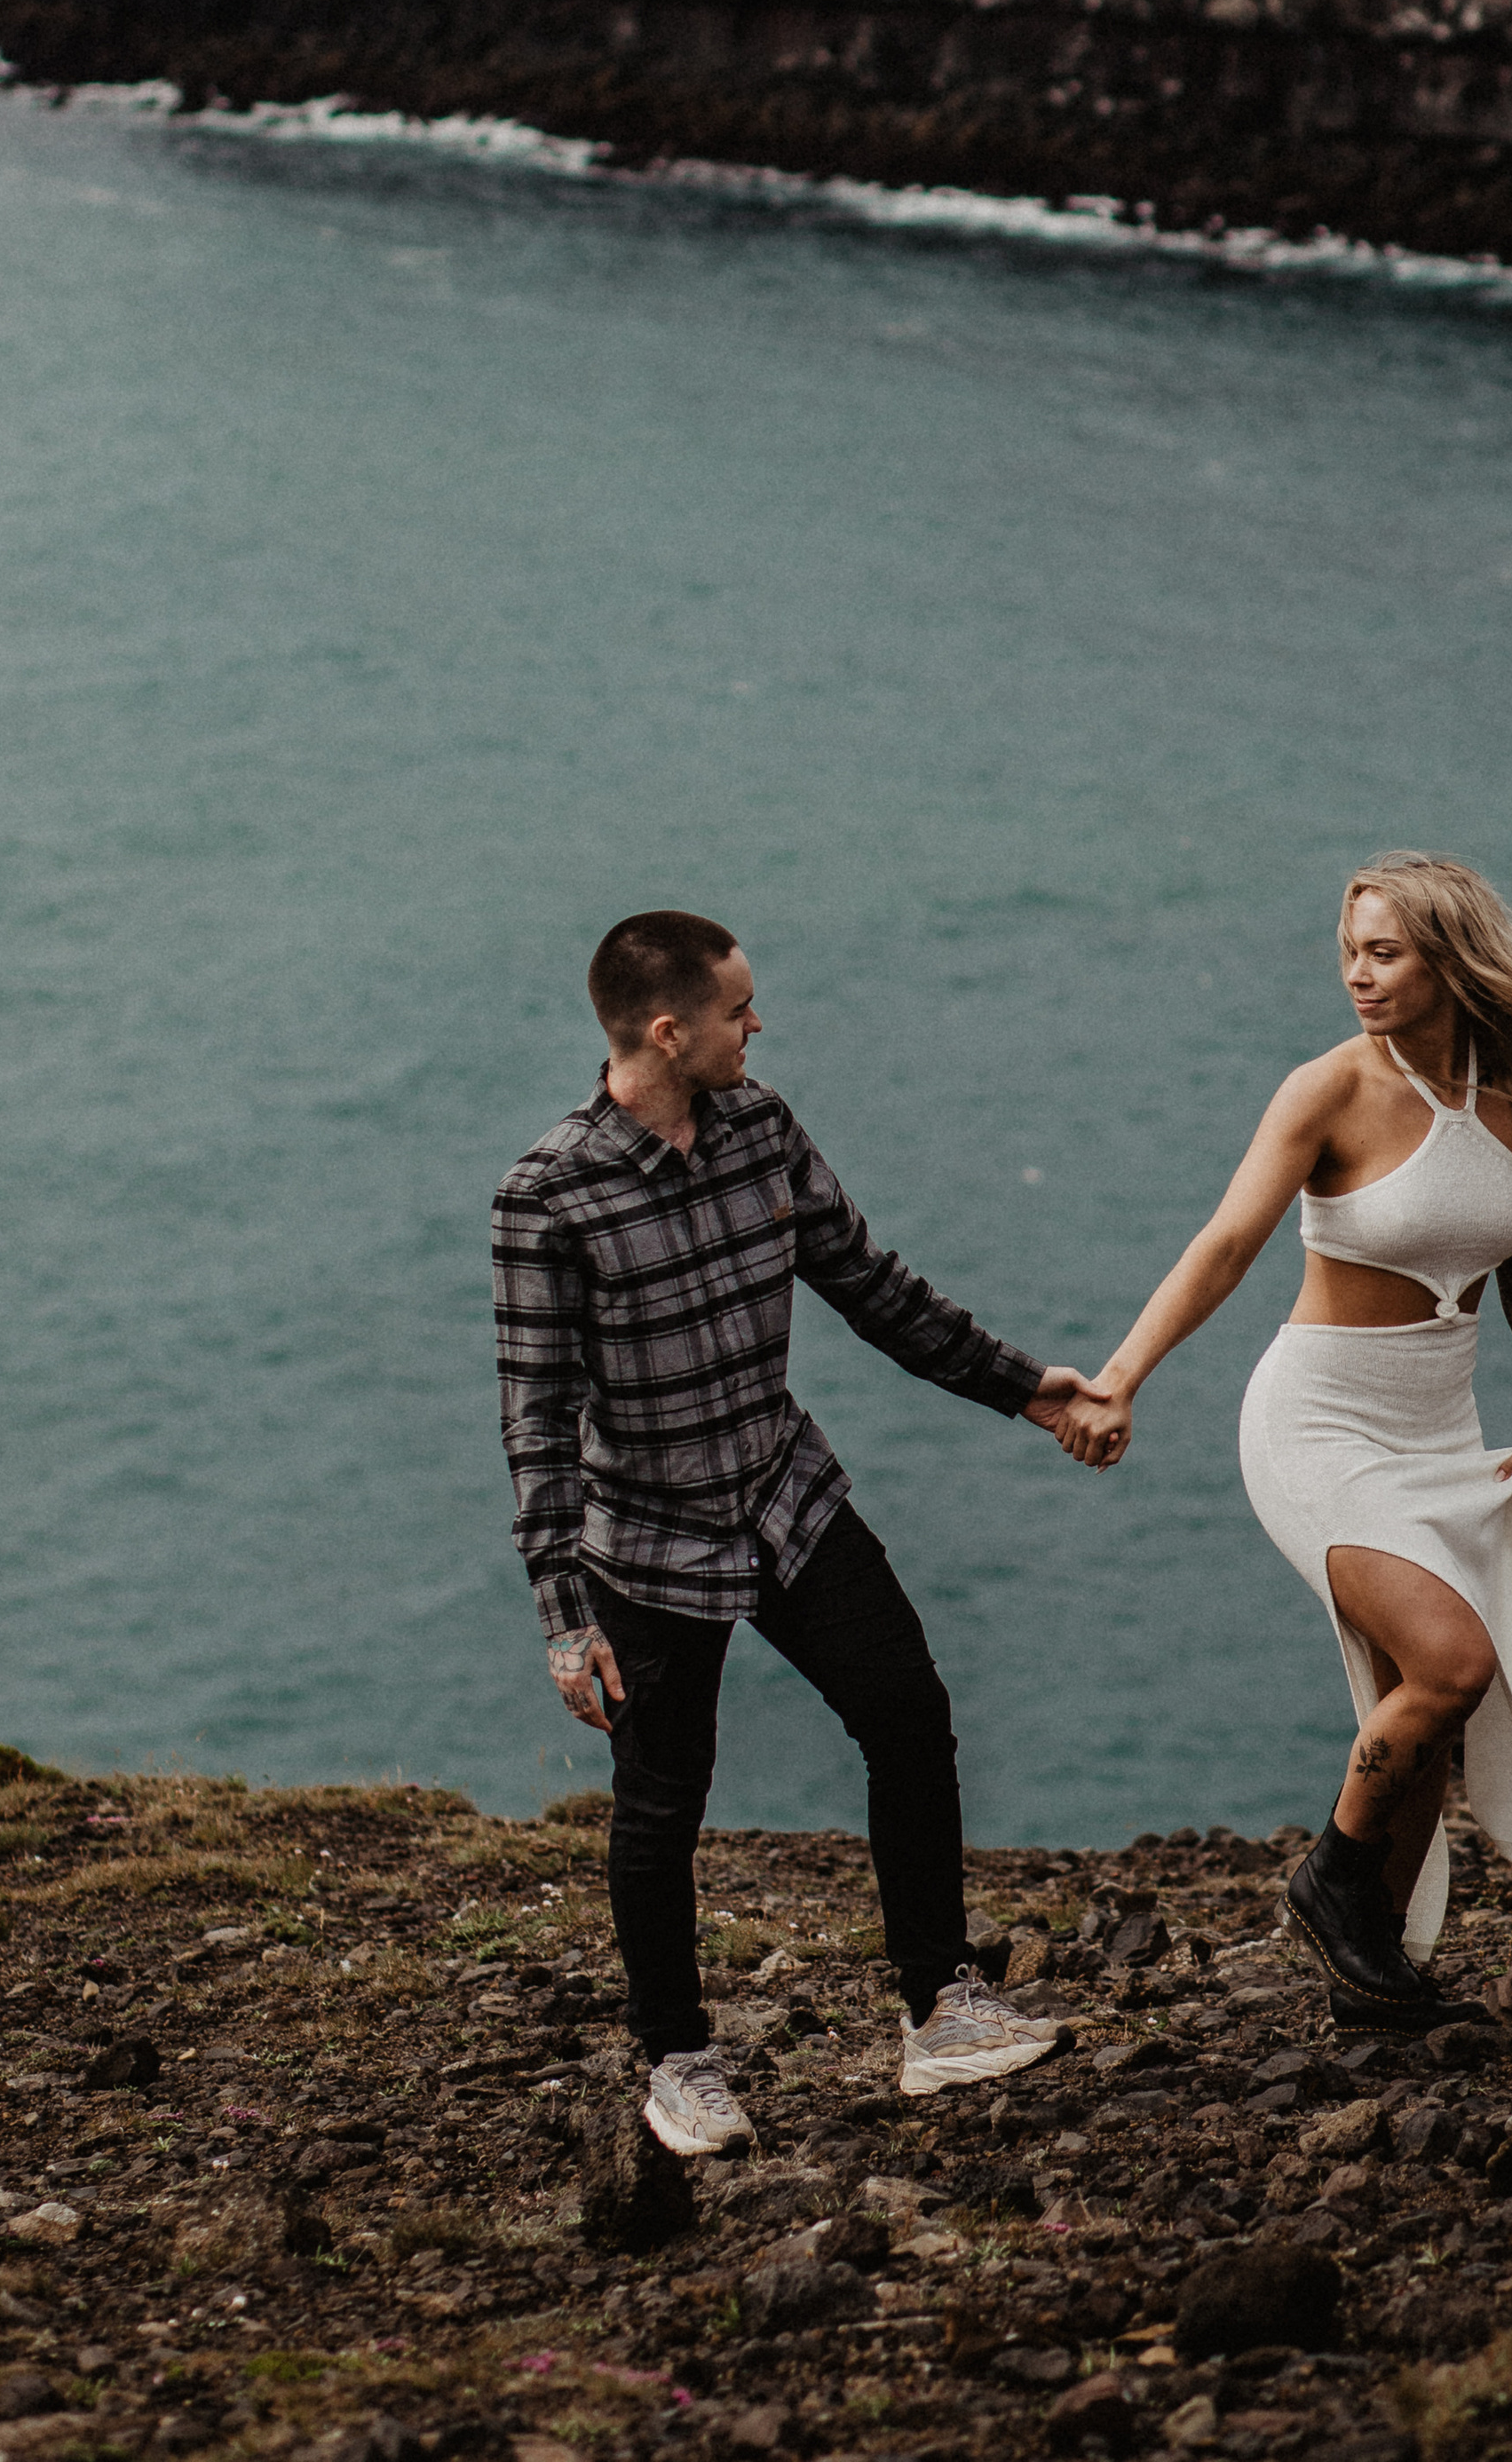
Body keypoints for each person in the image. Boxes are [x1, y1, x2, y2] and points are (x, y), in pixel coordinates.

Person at [495, 910, 1109, 2157]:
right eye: (737, 1009)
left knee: (909, 1715)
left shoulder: (761, 1128)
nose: (757, 1026)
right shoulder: (548, 1197)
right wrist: (565, 1618)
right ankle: (678, 2063)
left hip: (786, 1495)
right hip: (652, 1545)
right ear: (669, 1032)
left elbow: (871, 1286)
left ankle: (943, 2008)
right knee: (662, 1805)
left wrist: (1024, 1386)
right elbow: (538, 1421)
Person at [1058, 851, 1512, 2027]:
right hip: (1319, 1425)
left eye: (1384, 951)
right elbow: (1226, 1246)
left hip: (1444, 1436)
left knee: (1424, 1697)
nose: (1358, 972)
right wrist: (1119, 1379)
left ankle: (1378, 1976)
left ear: (1447, 959)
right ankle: (1333, 1883)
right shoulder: (1328, 1091)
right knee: (1452, 1665)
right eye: (1350, 949)